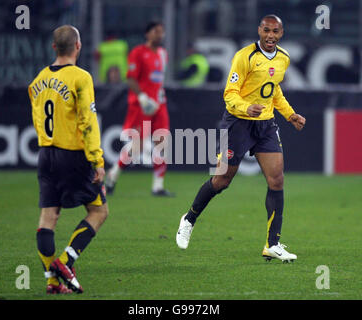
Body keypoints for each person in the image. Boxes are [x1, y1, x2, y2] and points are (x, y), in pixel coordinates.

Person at [176, 15, 306, 263]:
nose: (270, 36)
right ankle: (189, 218)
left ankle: (273, 244)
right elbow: (230, 94)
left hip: (266, 125)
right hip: (237, 124)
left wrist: (290, 115)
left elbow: (274, 89)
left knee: (277, 180)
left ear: (281, 33)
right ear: (259, 30)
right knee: (222, 180)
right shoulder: (244, 57)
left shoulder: (284, 58)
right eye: (266, 30)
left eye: (275, 31)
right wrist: (246, 108)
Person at [28, 25, 109, 294]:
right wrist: (97, 159)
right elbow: (88, 121)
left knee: (48, 218)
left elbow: (38, 121)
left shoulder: (37, 81)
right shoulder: (80, 77)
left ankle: (52, 282)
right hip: (73, 156)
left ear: (54, 47)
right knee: (99, 211)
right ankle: (65, 261)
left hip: (46, 154)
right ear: (78, 46)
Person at [105, 22, 174, 197]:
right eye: (156, 31)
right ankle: (113, 174)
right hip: (142, 105)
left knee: (162, 141)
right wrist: (142, 97)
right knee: (138, 146)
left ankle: (158, 186)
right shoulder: (137, 53)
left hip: (159, 104)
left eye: (162, 32)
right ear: (147, 34)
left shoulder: (163, 54)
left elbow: (159, 80)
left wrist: (158, 97)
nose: (160, 35)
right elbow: (131, 78)